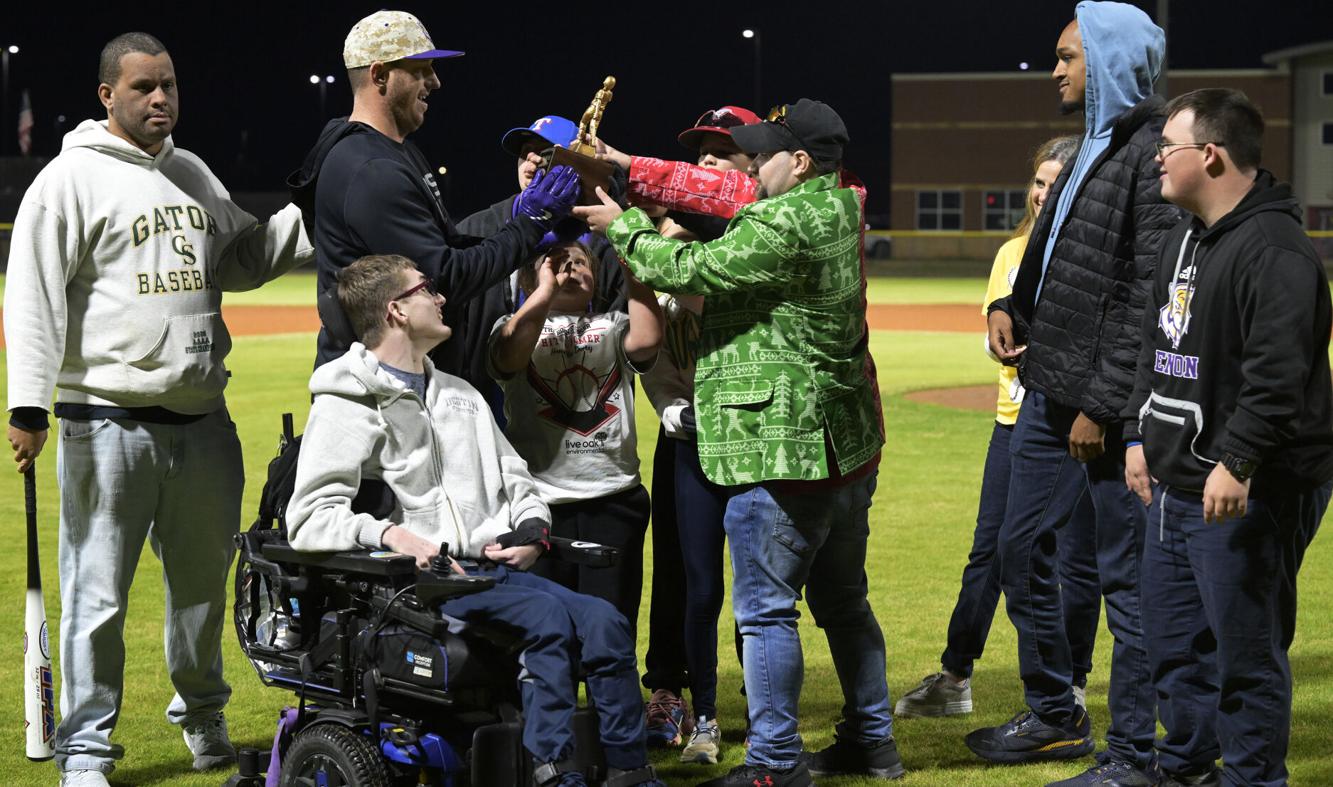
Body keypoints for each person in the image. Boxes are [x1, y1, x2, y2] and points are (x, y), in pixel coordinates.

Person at [3, 32, 312, 787]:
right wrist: (28, 406)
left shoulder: (192, 171)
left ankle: (202, 716)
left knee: (204, 592)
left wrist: (312, 217)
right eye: (144, 87)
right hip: (105, 418)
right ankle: (85, 746)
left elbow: (237, 258)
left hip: (203, 419)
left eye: (169, 84)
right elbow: (34, 297)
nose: (161, 99)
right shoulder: (68, 180)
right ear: (107, 94)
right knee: (98, 594)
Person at [577, 99, 897, 787]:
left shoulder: (781, 219)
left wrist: (622, 224)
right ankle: (872, 738)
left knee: (764, 611)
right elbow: (718, 189)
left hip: (781, 448)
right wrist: (629, 166)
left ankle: (775, 762)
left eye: (763, 152)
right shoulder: (839, 202)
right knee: (843, 601)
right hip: (843, 446)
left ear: (800, 161)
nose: (749, 163)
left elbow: (691, 271)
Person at [286, 254, 663, 787]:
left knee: (605, 621)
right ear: (395, 310)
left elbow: (518, 480)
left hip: (488, 569)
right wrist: (390, 533)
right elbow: (308, 518)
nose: (441, 299)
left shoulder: (458, 395)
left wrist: (533, 529)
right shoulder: (348, 398)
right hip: (421, 580)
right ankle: (552, 772)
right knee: (548, 621)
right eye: (426, 290)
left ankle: (630, 771)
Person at [977, 3, 1180, 785]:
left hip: (1100, 405)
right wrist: (1008, 306)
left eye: (1068, 57)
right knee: (1015, 549)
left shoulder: (1147, 150)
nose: (1055, 70)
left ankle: (1134, 752)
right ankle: (1055, 714)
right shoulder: (1091, 144)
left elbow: (1143, 296)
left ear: (1110, 57)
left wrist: (1104, 405)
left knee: (1122, 578)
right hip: (1044, 389)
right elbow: (1052, 249)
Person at [1125, 88, 1333, 787]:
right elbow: (1154, 346)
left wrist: (1237, 459)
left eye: (1168, 148)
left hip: (1247, 487)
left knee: (1244, 654)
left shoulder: (1274, 248)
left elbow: (1278, 374)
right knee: (1174, 647)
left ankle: (1251, 779)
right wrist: (1134, 433)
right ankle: (1184, 769)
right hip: (1176, 482)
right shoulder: (1180, 235)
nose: (1157, 158)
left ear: (1209, 155)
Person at [895, 135, 1105, 718]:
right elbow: (1002, 322)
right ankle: (956, 675)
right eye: (1037, 182)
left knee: (1073, 559)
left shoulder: (1093, 251)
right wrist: (998, 322)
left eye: (1055, 183)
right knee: (988, 551)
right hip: (1013, 423)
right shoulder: (1013, 253)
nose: (1042, 194)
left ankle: (1074, 684)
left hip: (1072, 426)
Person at [287, 9, 580, 371]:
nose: (435, 82)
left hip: (397, 374)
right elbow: (444, 280)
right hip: (377, 388)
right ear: (380, 74)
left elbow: (445, 249)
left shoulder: (392, 150)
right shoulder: (370, 169)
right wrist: (530, 222)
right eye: (421, 69)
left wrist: (522, 236)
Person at [636, 105, 760, 761]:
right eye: (699, 150)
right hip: (685, 432)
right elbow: (652, 351)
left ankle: (766, 711)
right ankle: (684, 701)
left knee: (763, 588)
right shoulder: (670, 236)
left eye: (721, 149)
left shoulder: (759, 237)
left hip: (752, 437)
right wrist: (666, 406)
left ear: (751, 160)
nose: (707, 159)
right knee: (690, 577)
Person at [487, 241, 663, 635]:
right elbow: (509, 355)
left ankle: (608, 698)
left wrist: (633, 266)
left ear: (597, 280)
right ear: (533, 278)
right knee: (548, 628)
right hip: (541, 503)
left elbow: (648, 341)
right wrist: (543, 292)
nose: (568, 268)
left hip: (613, 496)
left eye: (580, 262)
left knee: (611, 622)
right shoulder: (509, 326)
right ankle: (557, 697)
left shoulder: (614, 325)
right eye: (556, 262)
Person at [455, 114, 627, 423]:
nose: (531, 159)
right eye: (524, 152)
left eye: (546, 150)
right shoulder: (477, 229)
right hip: (490, 399)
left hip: (579, 401)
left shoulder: (603, 236)